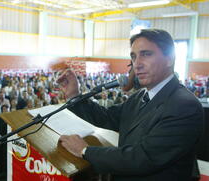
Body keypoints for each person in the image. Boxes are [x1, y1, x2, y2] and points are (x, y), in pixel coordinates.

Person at [57, 29, 204, 181]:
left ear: (169, 59)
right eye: (134, 57)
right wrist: (74, 95)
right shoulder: (140, 96)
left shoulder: (184, 105)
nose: (137, 64)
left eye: (146, 54)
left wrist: (85, 150)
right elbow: (106, 117)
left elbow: (143, 158)